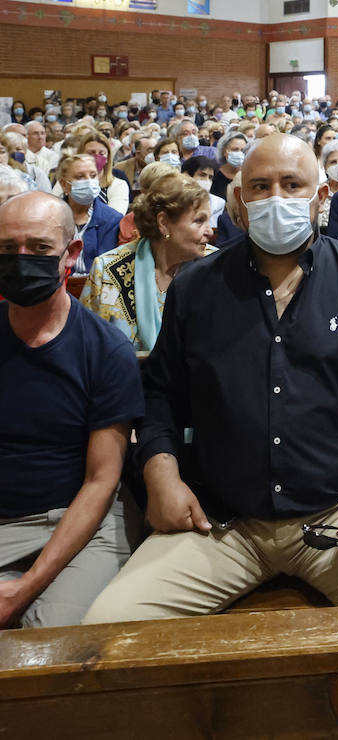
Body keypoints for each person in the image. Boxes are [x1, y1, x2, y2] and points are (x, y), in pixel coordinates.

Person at [82, 135, 338, 623]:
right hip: (222, 524)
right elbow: (162, 392)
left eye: (292, 184)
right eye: (260, 186)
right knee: (108, 632)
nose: (276, 197)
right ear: (240, 202)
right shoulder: (198, 288)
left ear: (320, 197)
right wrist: (161, 473)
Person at [0, 192, 142, 628]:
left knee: (50, 640)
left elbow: (102, 481)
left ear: (71, 254)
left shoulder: (105, 350)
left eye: (40, 248)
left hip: (80, 521)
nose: (22, 260)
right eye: (8, 249)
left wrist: (25, 588)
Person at [82, 173, 215, 351]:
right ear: (164, 223)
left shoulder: (216, 268)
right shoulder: (107, 270)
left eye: (208, 220)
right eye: (199, 221)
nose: (210, 232)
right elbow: (86, 346)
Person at [56, 155, 122, 277]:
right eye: (80, 177)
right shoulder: (51, 217)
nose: (89, 182)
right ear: (64, 185)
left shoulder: (112, 219)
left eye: (92, 176)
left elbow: (108, 267)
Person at [75, 132, 130, 214]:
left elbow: (114, 218)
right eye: (91, 153)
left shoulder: (118, 185)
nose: (96, 157)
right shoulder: (68, 181)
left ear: (108, 157)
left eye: (101, 153)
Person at [211, 131, 248, 200]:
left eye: (243, 150)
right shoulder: (213, 174)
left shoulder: (249, 175)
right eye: (235, 149)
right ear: (224, 151)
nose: (239, 153)